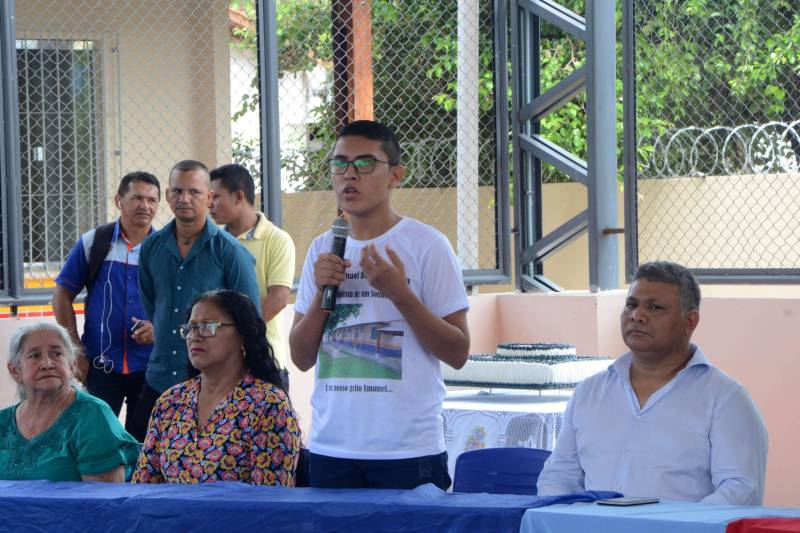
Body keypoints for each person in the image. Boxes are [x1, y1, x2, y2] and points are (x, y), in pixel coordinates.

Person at [289, 120, 470, 489]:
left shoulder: (427, 246)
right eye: (340, 164)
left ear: (395, 175)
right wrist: (323, 298)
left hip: (406, 451)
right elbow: (301, 356)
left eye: (364, 163)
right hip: (332, 448)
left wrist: (400, 294)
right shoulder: (322, 249)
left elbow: (458, 352)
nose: (349, 175)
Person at [537, 261, 768, 505]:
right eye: (631, 305)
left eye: (655, 307)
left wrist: (672, 526)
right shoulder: (589, 392)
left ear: (689, 322)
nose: (637, 316)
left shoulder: (726, 399)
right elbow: (559, 475)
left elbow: (741, 490)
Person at [130, 160, 261, 441]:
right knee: (143, 471)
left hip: (214, 386)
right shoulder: (151, 248)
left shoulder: (230, 252)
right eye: (177, 191)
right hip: (159, 381)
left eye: (194, 192)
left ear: (210, 197)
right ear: (167, 195)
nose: (184, 199)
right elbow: (154, 307)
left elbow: (251, 323)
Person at [132, 290, 300, 485]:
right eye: (191, 327)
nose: (195, 336)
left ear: (244, 335)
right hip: (171, 516)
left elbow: (270, 503)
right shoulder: (170, 402)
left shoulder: (268, 405)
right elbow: (144, 487)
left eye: (207, 326)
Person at [53, 171, 160, 440]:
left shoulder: (165, 248)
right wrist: (75, 351)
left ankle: (138, 485)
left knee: (144, 444)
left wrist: (158, 328)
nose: (144, 206)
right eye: (137, 197)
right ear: (119, 200)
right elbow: (62, 294)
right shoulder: (94, 242)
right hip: (100, 366)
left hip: (151, 367)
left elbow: (184, 303)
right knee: (95, 441)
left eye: (152, 199)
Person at [0, 323, 139, 481]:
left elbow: (103, 501)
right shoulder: (3, 422)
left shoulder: (92, 416)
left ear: (72, 365)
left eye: (57, 354)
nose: (47, 364)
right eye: (34, 356)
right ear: (15, 371)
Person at [209, 163, 295, 389]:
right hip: (219, 363)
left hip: (264, 360)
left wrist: (234, 336)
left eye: (216, 197)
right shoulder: (211, 241)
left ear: (239, 197)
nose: (210, 204)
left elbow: (278, 300)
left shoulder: (277, 239)